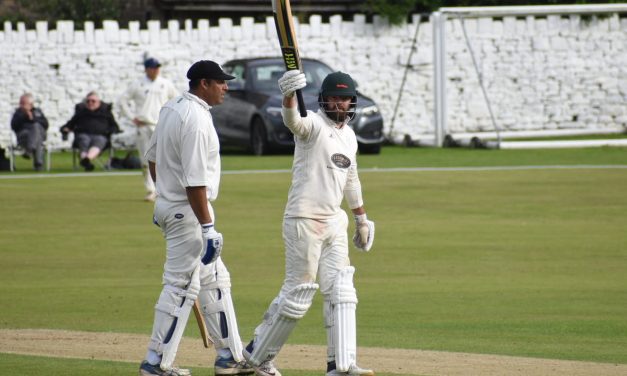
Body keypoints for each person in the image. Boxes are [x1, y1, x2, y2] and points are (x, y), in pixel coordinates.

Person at [242, 70, 376, 376]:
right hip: (304, 219)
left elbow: (351, 179)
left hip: (334, 222)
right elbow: (293, 121)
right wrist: (289, 94)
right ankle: (256, 357)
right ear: (324, 100)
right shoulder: (313, 124)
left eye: (345, 99)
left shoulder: (350, 136)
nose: (340, 104)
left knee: (341, 290)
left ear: (351, 102)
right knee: (298, 292)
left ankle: (340, 364)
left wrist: (361, 219)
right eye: (335, 98)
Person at [139, 60, 253, 376]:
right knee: (180, 286)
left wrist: (163, 196)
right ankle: (155, 363)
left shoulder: (171, 108)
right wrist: (208, 227)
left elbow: (153, 159)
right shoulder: (196, 120)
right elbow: (195, 181)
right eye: (221, 82)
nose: (226, 87)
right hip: (189, 213)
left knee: (215, 280)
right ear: (203, 84)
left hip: (174, 206)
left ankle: (229, 356)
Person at [118, 57, 178, 201]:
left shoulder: (165, 84)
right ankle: (151, 190)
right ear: (146, 69)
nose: (156, 70)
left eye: (158, 67)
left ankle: (165, 189)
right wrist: (132, 117)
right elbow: (122, 100)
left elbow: (176, 100)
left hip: (161, 125)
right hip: (143, 125)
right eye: (153, 67)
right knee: (146, 159)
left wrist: (171, 117)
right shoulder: (137, 84)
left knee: (164, 158)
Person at [61, 91, 120, 171]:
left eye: (93, 101)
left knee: (99, 141)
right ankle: (87, 162)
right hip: (83, 134)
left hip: (101, 135)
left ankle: (86, 160)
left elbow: (114, 126)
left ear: (99, 102)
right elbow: (70, 123)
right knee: (83, 140)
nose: (90, 103)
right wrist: (65, 129)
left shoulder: (106, 113)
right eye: (88, 101)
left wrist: (110, 131)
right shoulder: (81, 112)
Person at [10, 93, 49, 171]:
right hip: (24, 136)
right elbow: (14, 126)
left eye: (23, 103)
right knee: (37, 138)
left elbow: (46, 124)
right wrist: (24, 116)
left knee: (36, 127)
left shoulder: (38, 112)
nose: (21, 105)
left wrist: (33, 118)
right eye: (20, 103)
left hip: (38, 134)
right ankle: (38, 164)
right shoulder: (18, 113)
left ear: (31, 104)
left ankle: (29, 150)